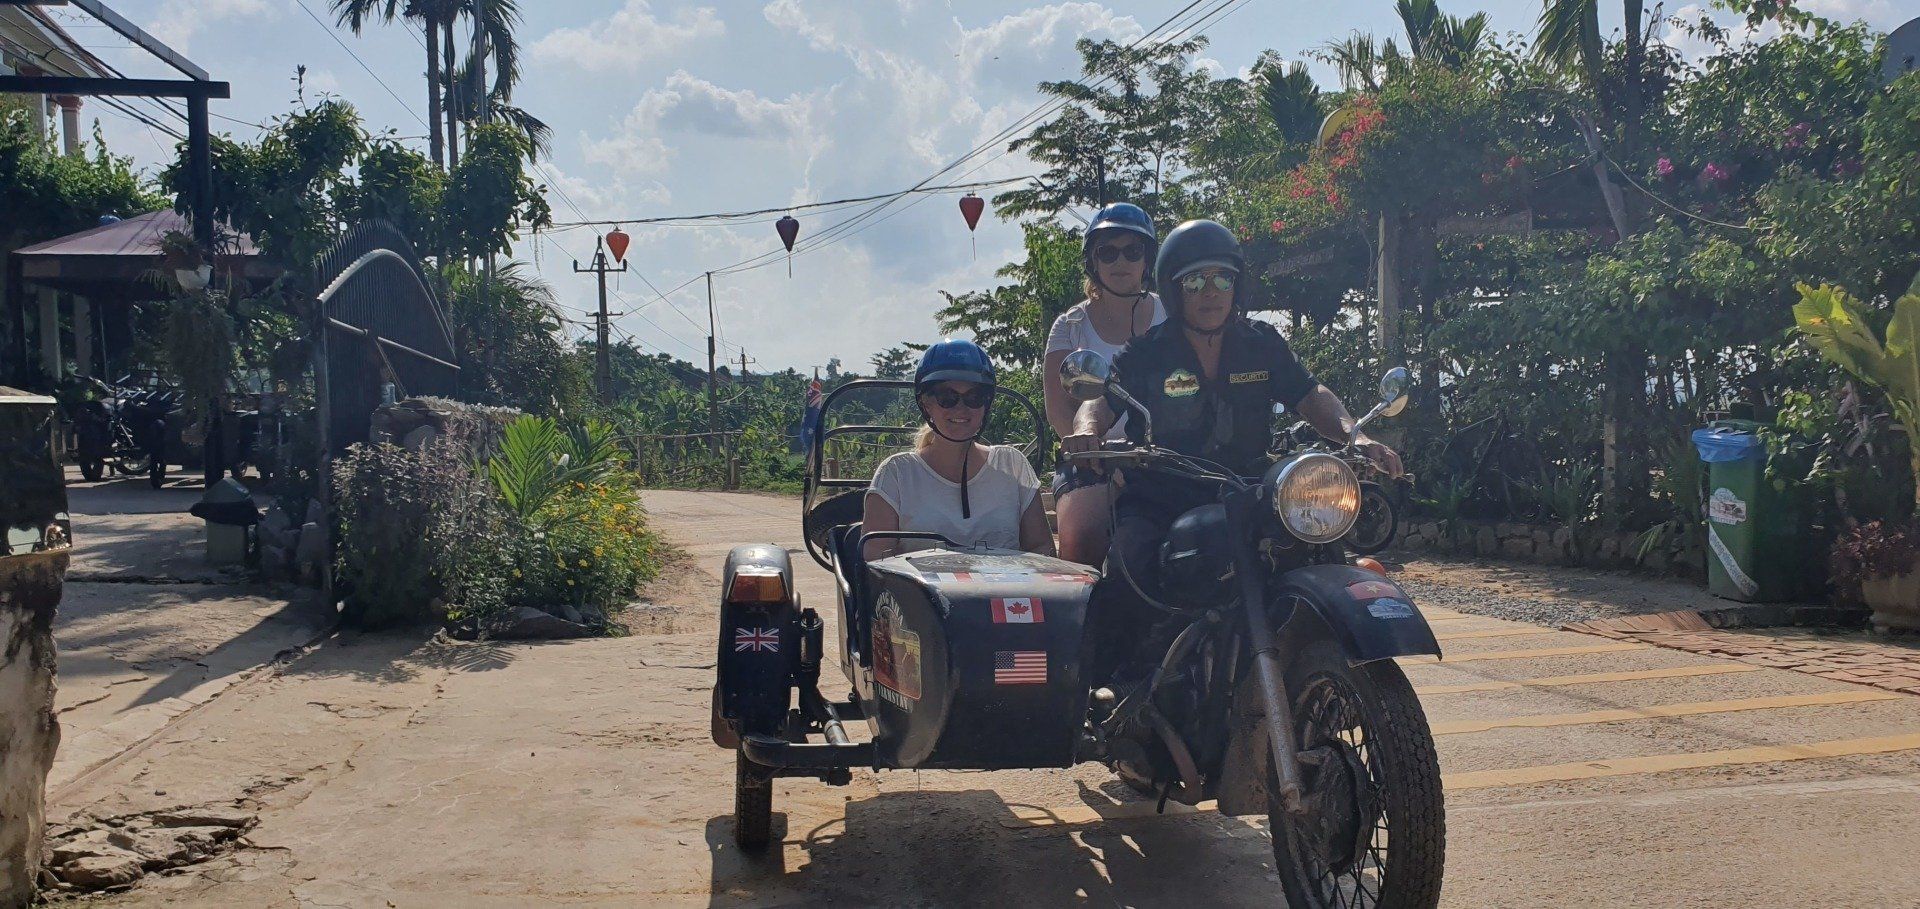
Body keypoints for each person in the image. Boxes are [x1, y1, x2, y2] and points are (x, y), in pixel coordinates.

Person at [1060, 219, 1402, 620]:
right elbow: (1102, 399)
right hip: (1162, 495)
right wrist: (1086, 430)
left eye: (1222, 279)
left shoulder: (1261, 344)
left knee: (1318, 547)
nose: (1211, 292)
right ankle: (1129, 658)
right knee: (1129, 561)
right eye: (1195, 281)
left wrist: (1355, 435)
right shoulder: (1146, 353)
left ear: (1237, 285)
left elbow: (1310, 395)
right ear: (1174, 289)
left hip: (1249, 490)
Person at [1042, 202, 1166, 566]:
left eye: (1132, 251)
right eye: (1108, 253)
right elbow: (1059, 410)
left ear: (1147, 259)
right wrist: (1092, 451)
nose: (1120, 261)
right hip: (1092, 462)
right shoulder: (1069, 326)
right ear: (1092, 263)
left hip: (1169, 457)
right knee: (1082, 534)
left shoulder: (1172, 317)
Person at [863, 339, 1055, 560]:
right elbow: (875, 561)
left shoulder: (1012, 465)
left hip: (1004, 583)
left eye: (974, 397)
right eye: (947, 398)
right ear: (926, 404)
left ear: (986, 404)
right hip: (920, 584)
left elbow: (1042, 548)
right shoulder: (897, 473)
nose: (961, 408)